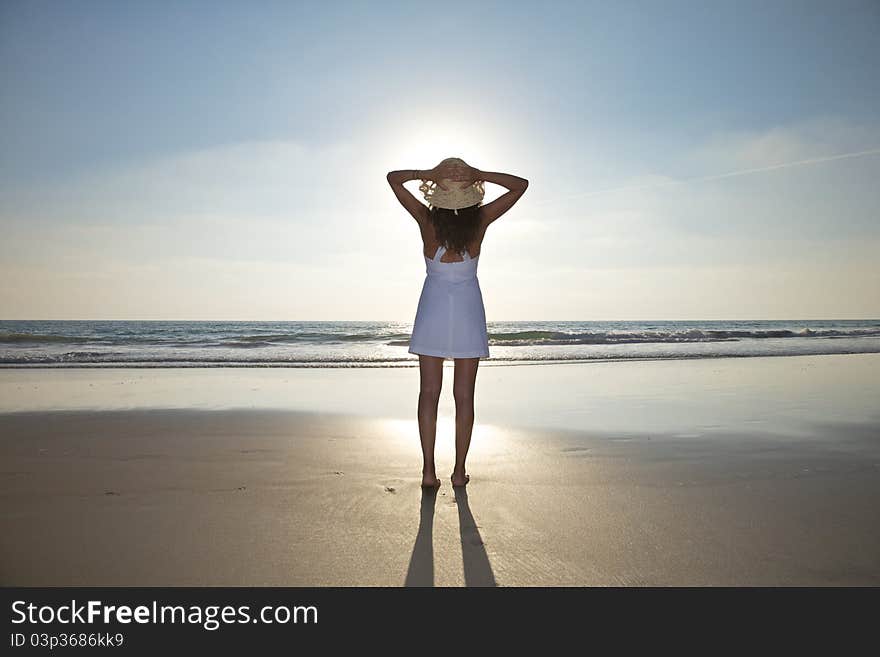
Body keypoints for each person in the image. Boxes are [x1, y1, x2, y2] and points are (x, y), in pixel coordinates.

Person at [386, 157, 529, 488]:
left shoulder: (425, 219)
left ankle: (427, 473)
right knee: (464, 396)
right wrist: (480, 175)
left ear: (438, 193)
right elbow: (520, 185)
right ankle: (459, 472)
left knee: (428, 393)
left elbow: (393, 179)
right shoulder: (480, 221)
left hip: (433, 309)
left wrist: (426, 175)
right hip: (467, 310)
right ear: (469, 194)